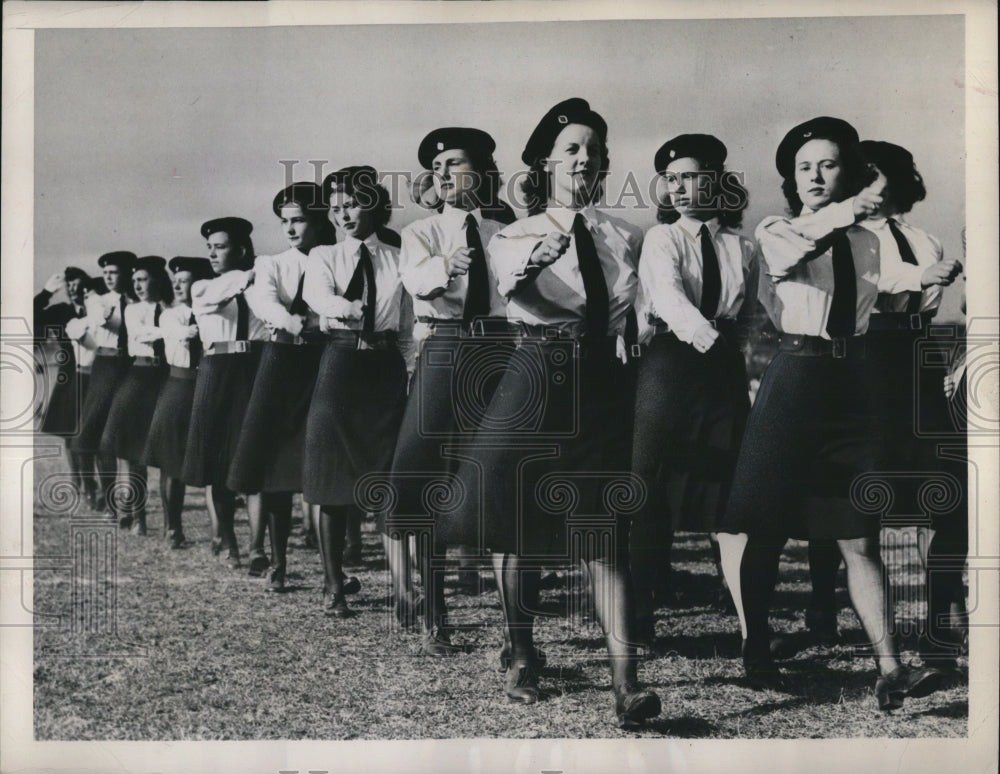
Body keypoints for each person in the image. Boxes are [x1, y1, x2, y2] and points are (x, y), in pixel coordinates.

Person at [443, 98, 661, 728]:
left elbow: (634, 311)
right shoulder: (514, 234)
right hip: (536, 375)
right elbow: (514, 283)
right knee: (517, 523)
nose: (584, 158)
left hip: (600, 385)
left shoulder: (626, 237)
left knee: (603, 532)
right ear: (544, 162)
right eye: (570, 149)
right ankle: (520, 649)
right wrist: (538, 261)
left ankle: (627, 684)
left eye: (593, 149)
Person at [717, 116, 943, 711]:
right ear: (792, 178)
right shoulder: (777, 229)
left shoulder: (869, 239)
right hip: (795, 378)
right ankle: (756, 647)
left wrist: (932, 273)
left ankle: (891, 668)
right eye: (804, 167)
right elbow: (798, 252)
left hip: (854, 385)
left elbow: (902, 282)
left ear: (850, 171)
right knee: (765, 526)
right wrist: (853, 208)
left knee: (858, 534)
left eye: (829, 164)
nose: (816, 175)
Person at [802, 141, 965, 649]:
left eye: (881, 171)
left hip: (917, 356)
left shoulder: (926, 238)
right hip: (862, 357)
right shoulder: (843, 235)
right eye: (862, 172)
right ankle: (824, 608)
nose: (873, 181)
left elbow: (932, 299)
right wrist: (918, 276)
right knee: (851, 488)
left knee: (942, 488)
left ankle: (944, 613)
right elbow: (873, 283)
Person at [630, 133, 756, 648]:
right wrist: (712, 341)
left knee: (730, 486)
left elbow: (746, 315)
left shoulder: (742, 245)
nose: (680, 188)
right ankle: (638, 616)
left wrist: (733, 353)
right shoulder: (662, 239)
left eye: (691, 177)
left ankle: (752, 626)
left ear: (717, 180)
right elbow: (668, 296)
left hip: (721, 367)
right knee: (649, 483)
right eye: (672, 179)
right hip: (671, 363)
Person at [393, 126, 512, 653]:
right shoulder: (421, 233)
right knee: (431, 475)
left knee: (501, 473)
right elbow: (418, 283)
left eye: (456, 164)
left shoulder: (506, 231)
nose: (443, 174)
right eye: (437, 168)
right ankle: (434, 611)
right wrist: (448, 266)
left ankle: (516, 624)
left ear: (482, 173)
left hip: (501, 352)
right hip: (443, 350)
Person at [302, 165, 414, 618]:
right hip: (341, 365)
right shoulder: (324, 256)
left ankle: (404, 589)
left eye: (351, 203)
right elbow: (318, 298)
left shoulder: (398, 255)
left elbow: (405, 324)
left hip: (384, 367)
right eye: (334, 207)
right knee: (331, 472)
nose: (341, 213)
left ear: (374, 205)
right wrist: (345, 308)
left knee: (390, 476)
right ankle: (333, 585)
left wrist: (410, 370)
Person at [227, 182, 337, 592]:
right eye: (284, 222)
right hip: (283, 361)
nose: (290, 229)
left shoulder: (338, 258)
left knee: (326, 461)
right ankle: (278, 562)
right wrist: (295, 322)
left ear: (320, 219)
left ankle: (333, 571)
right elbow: (264, 301)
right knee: (275, 467)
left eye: (299, 220)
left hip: (325, 362)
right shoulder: (273, 263)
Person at [181, 217, 268, 569]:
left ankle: (257, 547)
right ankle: (229, 542)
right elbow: (219, 296)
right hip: (217, 373)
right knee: (218, 463)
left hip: (255, 370)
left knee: (255, 460)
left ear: (242, 249)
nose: (213, 254)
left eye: (221, 246)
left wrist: (261, 277)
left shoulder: (263, 282)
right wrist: (252, 275)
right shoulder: (203, 287)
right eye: (210, 248)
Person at [142, 256, 215, 549]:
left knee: (210, 458)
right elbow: (176, 333)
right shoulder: (170, 315)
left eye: (184, 280)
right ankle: (173, 527)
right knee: (170, 460)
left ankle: (221, 535)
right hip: (178, 385)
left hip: (208, 385)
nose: (178, 285)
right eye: (176, 280)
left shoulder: (213, 312)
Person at [100, 256, 174, 533]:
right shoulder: (133, 310)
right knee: (133, 451)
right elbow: (142, 335)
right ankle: (138, 517)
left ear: (157, 279)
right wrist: (173, 330)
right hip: (140, 377)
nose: (138, 286)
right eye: (135, 281)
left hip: (167, 377)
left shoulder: (174, 308)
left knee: (167, 451)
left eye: (143, 279)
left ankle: (171, 523)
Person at [70, 251, 138, 522]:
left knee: (128, 439)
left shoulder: (138, 300)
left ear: (126, 274)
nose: (108, 278)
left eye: (114, 272)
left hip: (133, 367)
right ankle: (111, 502)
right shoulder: (99, 301)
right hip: (106, 367)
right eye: (106, 273)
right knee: (100, 438)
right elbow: (98, 320)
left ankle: (133, 505)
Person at [35, 267, 100, 508]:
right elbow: (31, 315)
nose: (74, 289)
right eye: (69, 285)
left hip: (94, 375)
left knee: (90, 433)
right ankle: (80, 484)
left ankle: (92, 484)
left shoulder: (97, 308)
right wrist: (45, 293)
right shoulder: (62, 311)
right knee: (69, 432)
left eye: (78, 285)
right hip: (69, 376)